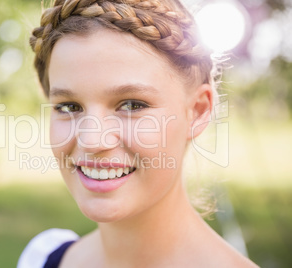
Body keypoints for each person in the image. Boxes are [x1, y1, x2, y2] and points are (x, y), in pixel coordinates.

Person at [18, 0, 259, 267]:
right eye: (69, 107)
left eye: (132, 105)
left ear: (198, 111)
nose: (92, 140)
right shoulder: (43, 259)